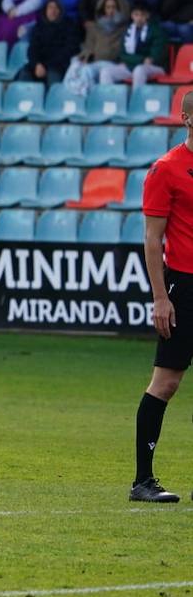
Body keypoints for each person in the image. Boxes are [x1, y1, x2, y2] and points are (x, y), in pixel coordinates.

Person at [130, 89, 193, 502]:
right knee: (166, 382)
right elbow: (153, 241)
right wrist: (160, 297)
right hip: (183, 287)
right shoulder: (166, 169)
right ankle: (143, 481)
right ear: (187, 119)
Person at [22, 0, 81, 85]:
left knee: (53, 74)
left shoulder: (69, 26)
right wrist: (37, 64)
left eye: (56, 8)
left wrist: (46, 65)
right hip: (40, 65)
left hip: (59, 64)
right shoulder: (39, 26)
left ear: (60, 10)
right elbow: (32, 49)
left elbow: (70, 50)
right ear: (45, 10)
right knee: (24, 73)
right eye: (50, 8)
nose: (53, 11)